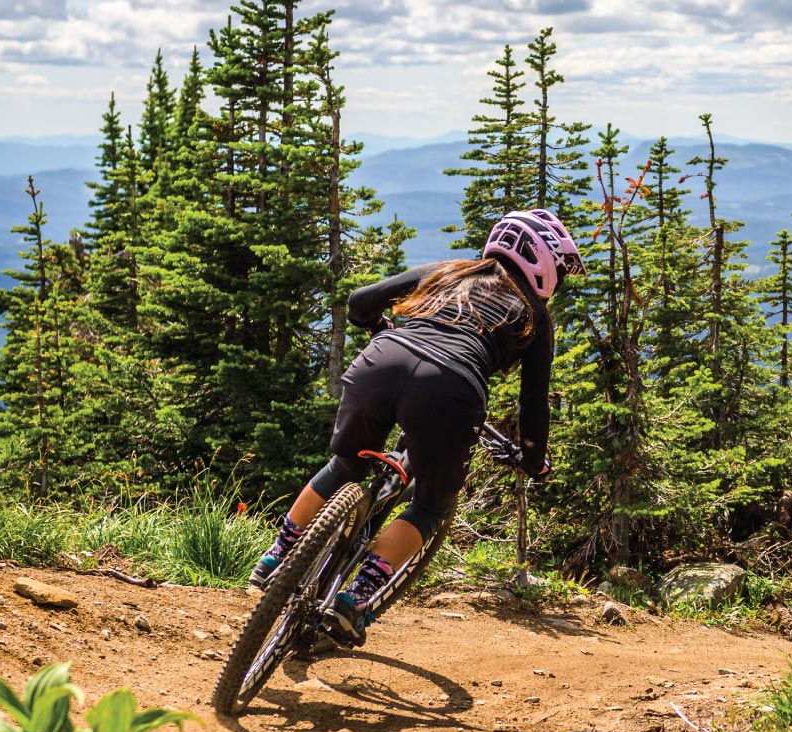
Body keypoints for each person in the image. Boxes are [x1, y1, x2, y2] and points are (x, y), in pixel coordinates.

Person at [248, 209, 582, 645]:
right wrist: (534, 460)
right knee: (430, 506)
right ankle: (355, 598)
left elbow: (360, 302)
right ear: (544, 265)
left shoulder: (449, 271)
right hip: (451, 390)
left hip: (386, 358)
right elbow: (534, 403)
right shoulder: (535, 316)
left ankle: (278, 554)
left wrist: (374, 326)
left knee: (346, 464)